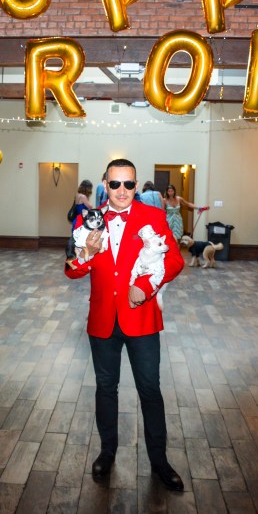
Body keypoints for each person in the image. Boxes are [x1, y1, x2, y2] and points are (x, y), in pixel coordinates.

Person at [64, 158, 185, 491]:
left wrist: (145, 287)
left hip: (142, 318)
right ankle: (107, 452)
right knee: (106, 389)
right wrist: (86, 253)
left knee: (150, 390)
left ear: (136, 184)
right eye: (115, 184)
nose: (121, 191)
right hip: (102, 321)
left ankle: (159, 461)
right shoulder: (90, 218)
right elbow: (72, 269)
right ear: (105, 183)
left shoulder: (154, 216)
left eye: (128, 184)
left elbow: (175, 260)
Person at [66, 179, 94, 259]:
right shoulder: (83, 196)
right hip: (81, 221)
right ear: (87, 188)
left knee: (76, 238)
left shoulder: (77, 194)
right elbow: (90, 206)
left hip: (76, 220)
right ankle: (80, 257)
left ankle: (74, 255)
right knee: (81, 239)